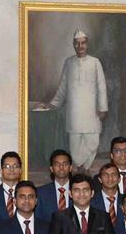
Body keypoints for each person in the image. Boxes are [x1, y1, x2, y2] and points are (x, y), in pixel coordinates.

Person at [36, 29, 109, 170]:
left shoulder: (95, 62)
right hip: (74, 111)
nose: (80, 46)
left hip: (92, 111)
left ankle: (83, 167)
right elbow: (63, 86)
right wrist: (53, 104)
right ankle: (80, 167)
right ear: (73, 45)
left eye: (83, 43)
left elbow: (102, 86)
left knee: (93, 141)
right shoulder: (69, 62)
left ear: (87, 45)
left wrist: (103, 107)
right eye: (77, 43)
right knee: (75, 143)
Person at [36, 149, 75, 224]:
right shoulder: (41, 193)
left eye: (65, 164)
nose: (61, 167)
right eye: (57, 164)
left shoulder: (78, 191)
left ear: (70, 168)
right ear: (51, 169)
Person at [0, 151, 25, 227]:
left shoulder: (27, 194)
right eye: (7, 166)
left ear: (20, 170)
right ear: (1, 171)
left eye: (15, 166)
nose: (11, 170)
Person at [91, 160, 125, 226]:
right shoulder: (91, 202)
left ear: (119, 179)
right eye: (106, 175)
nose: (110, 178)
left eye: (114, 174)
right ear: (100, 180)